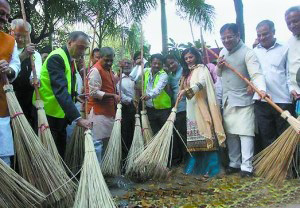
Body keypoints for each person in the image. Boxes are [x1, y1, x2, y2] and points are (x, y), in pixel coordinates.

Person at [217, 23, 266, 177]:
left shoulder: (248, 52)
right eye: (223, 38)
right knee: (231, 133)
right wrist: (218, 66)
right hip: (227, 100)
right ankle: (234, 163)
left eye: (229, 37)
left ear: (238, 36)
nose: (226, 40)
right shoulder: (222, 52)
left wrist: (260, 89)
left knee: (245, 133)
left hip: (244, 99)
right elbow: (219, 75)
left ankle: (247, 166)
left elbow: (256, 75)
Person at [33, 31, 91, 157]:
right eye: (80, 47)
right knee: (50, 154)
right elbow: (60, 90)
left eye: (85, 49)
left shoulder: (70, 59)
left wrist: (75, 95)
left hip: (59, 114)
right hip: (48, 113)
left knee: (60, 151)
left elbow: (67, 84)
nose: (82, 52)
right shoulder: (57, 57)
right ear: (69, 43)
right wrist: (78, 118)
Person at [177, 47, 225, 177]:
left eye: (190, 57)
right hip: (190, 108)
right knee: (194, 141)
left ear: (196, 57)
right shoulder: (186, 72)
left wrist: (187, 90)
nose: (188, 60)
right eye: (186, 58)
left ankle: (212, 169)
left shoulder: (202, 69)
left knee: (207, 136)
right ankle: (195, 168)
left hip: (201, 106)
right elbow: (182, 87)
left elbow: (203, 83)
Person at [253, 20, 293, 151]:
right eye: (259, 35)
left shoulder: (285, 47)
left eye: (265, 34)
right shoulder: (254, 51)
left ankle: (287, 169)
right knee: (267, 136)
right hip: (261, 101)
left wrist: (292, 90)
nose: (262, 38)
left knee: (284, 137)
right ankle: (271, 169)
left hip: (282, 100)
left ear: (273, 32)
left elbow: (289, 73)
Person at [87, 47, 120, 162]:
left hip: (108, 112)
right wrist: (112, 95)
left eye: (111, 60)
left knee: (106, 142)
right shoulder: (95, 70)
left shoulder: (109, 70)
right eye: (106, 60)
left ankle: (105, 173)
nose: (109, 63)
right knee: (97, 143)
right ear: (99, 58)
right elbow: (93, 92)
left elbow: (110, 84)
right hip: (97, 112)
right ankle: (96, 174)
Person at [10, 19, 43, 127]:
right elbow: (9, 69)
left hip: (26, 102)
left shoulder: (35, 55)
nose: (20, 39)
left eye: (24, 36)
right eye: (17, 35)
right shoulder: (6, 49)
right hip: (7, 99)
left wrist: (35, 80)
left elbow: (35, 74)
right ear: (11, 32)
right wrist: (24, 55)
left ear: (29, 36)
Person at [0, 0, 21, 166]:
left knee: (4, 157)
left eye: (7, 15)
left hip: (2, 105)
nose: (5, 18)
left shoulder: (10, 41)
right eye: (1, 13)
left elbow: (16, 65)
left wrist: (9, 70)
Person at [141, 53, 171, 135]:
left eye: (159, 64)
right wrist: (138, 65)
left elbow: (158, 89)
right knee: (154, 133)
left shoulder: (163, 75)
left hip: (163, 110)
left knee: (166, 133)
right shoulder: (146, 71)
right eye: (154, 63)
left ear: (162, 65)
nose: (156, 65)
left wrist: (149, 95)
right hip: (150, 109)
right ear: (150, 63)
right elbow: (133, 77)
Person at [165, 54, 187, 166]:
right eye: (169, 65)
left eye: (172, 63)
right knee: (179, 134)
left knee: (185, 133)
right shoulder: (170, 75)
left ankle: (188, 158)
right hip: (176, 108)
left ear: (177, 61)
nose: (171, 66)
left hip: (185, 107)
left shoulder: (184, 71)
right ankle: (182, 158)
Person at [117, 59, 136, 163]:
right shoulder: (118, 78)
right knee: (125, 133)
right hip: (125, 107)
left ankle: (134, 156)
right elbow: (119, 93)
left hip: (137, 107)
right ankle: (124, 159)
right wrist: (131, 101)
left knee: (135, 132)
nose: (127, 65)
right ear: (120, 65)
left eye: (129, 63)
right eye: (125, 63)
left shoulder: (135, 77)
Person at [285, 6, 300, 102]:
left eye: (295, 21)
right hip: (296, 95)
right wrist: (292, 88)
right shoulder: (288, 43)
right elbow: (288, 70)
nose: (292, 25)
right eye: (289, 23)